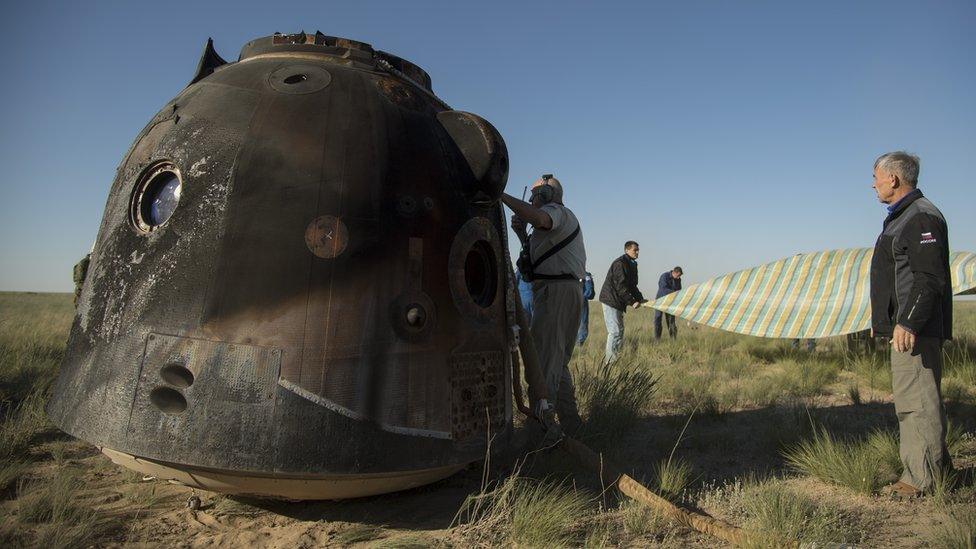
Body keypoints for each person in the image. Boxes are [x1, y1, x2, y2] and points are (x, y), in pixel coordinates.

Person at [869, 151, 952, 498]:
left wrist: (908, 323)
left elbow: (928, 278)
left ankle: (920, 480)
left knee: (915, 402)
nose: (872, 184)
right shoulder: (904, 217)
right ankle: (938, 469)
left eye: (875, 177)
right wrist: (885, 321)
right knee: (918, 398)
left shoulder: (920, 218)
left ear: (893, 179)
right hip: (906, 327)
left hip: (914, 330)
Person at [503, 175, 586, 436]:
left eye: (535, 194)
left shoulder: (555, 212)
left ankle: (541, 431)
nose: (531, 200)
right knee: (557, 363)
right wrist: (520, 233)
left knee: (542, 364)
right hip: (561, 290)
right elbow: (532, 263)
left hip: (555, 291)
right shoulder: (556, 221)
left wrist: (501, 196)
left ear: (548, 195)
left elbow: (539, 218)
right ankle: (571, 425)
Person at [598, 242, 645, 364]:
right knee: (614, 331)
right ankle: (609, 363)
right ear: (627, 250)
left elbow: (632, 286)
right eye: (635, 250)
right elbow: (621, 286)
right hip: (611, 300)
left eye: (638, 250)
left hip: (618, 301)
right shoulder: (620, 263)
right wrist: (632, 302)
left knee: (620, 330)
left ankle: (615, 358)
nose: (637, 252)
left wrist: (639, 298)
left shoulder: (633, 264)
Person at [654, 266, 683, 339]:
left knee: (671, 321)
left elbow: (679, 290)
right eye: (678, 275)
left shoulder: (678, 279)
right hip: (660, 301)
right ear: (674, 272)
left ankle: (673, 339)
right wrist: (675, 293)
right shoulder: (664, 276)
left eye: (680, 276)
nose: (678, 278)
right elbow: (663, 289)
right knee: (658, 320)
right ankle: (657, 339)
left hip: (670, 303)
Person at [577, 271, 595, 346]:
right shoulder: (585, 275)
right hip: (581, 300)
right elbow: (590, 292)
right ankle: (579, 344)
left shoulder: (567, 272)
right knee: (582, 323)